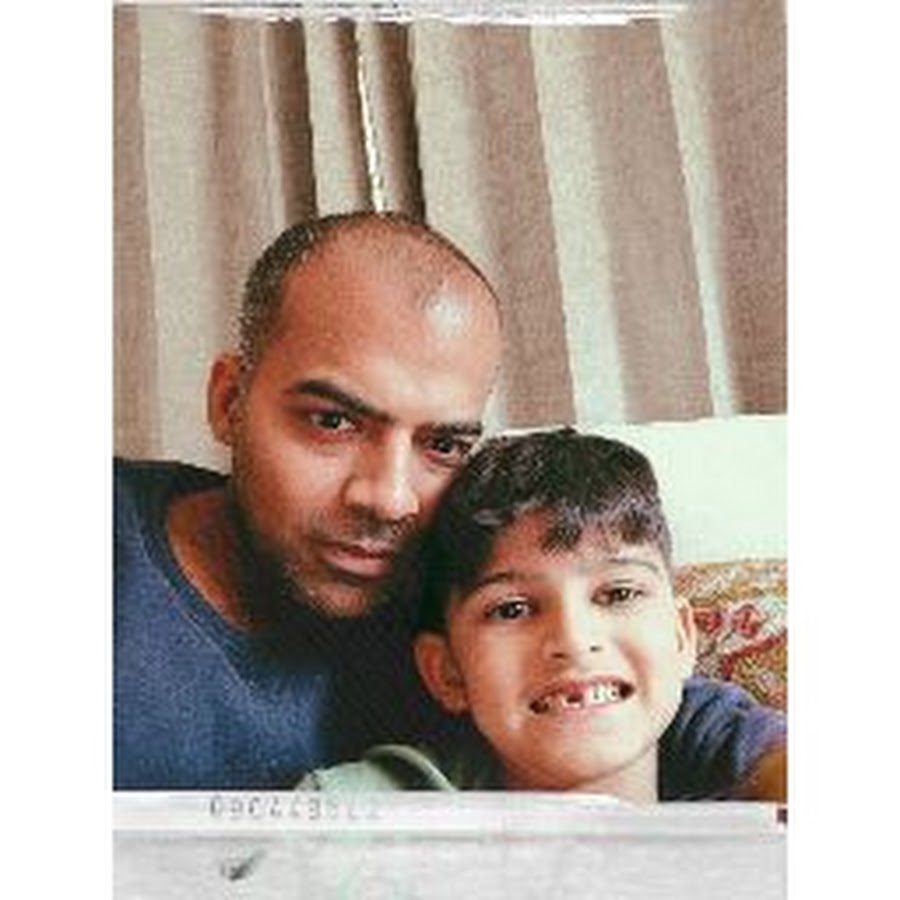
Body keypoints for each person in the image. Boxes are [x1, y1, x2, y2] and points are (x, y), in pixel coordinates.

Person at [114, 212, 785, 794]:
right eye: (332, 422)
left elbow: (661, 709)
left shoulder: (445, 574)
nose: (389, 498)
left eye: (441, 445)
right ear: (229, 400)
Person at [299, 429, 786, 800]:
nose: (573, 640)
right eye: (512, 609)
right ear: (447, 672)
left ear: (681, 637)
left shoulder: (745, 782)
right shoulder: (369, 812)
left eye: (619, 593)